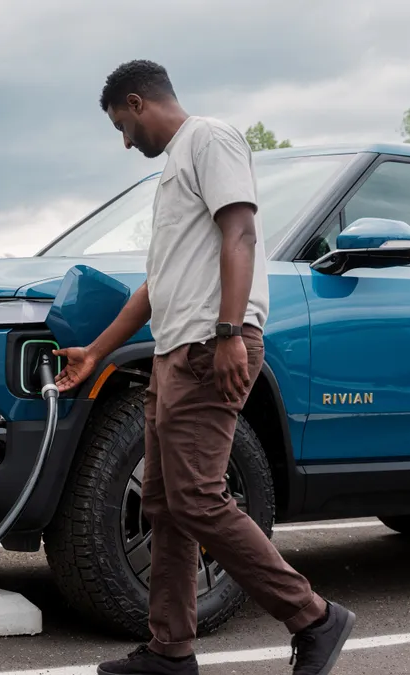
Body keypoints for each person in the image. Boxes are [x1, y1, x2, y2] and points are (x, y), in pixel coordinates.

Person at [52, 60, 355, 675]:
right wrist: (97, 352)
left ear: (137, 102)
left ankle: (314, 617)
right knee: (165, 505)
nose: (126, 141)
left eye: (122, 126)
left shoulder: (210, 139)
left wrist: (230, 333)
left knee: (197, 498)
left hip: (206, 347)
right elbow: (154, 286)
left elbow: (240, 233)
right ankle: (170, 651)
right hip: (174, 354)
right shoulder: (174, 177)